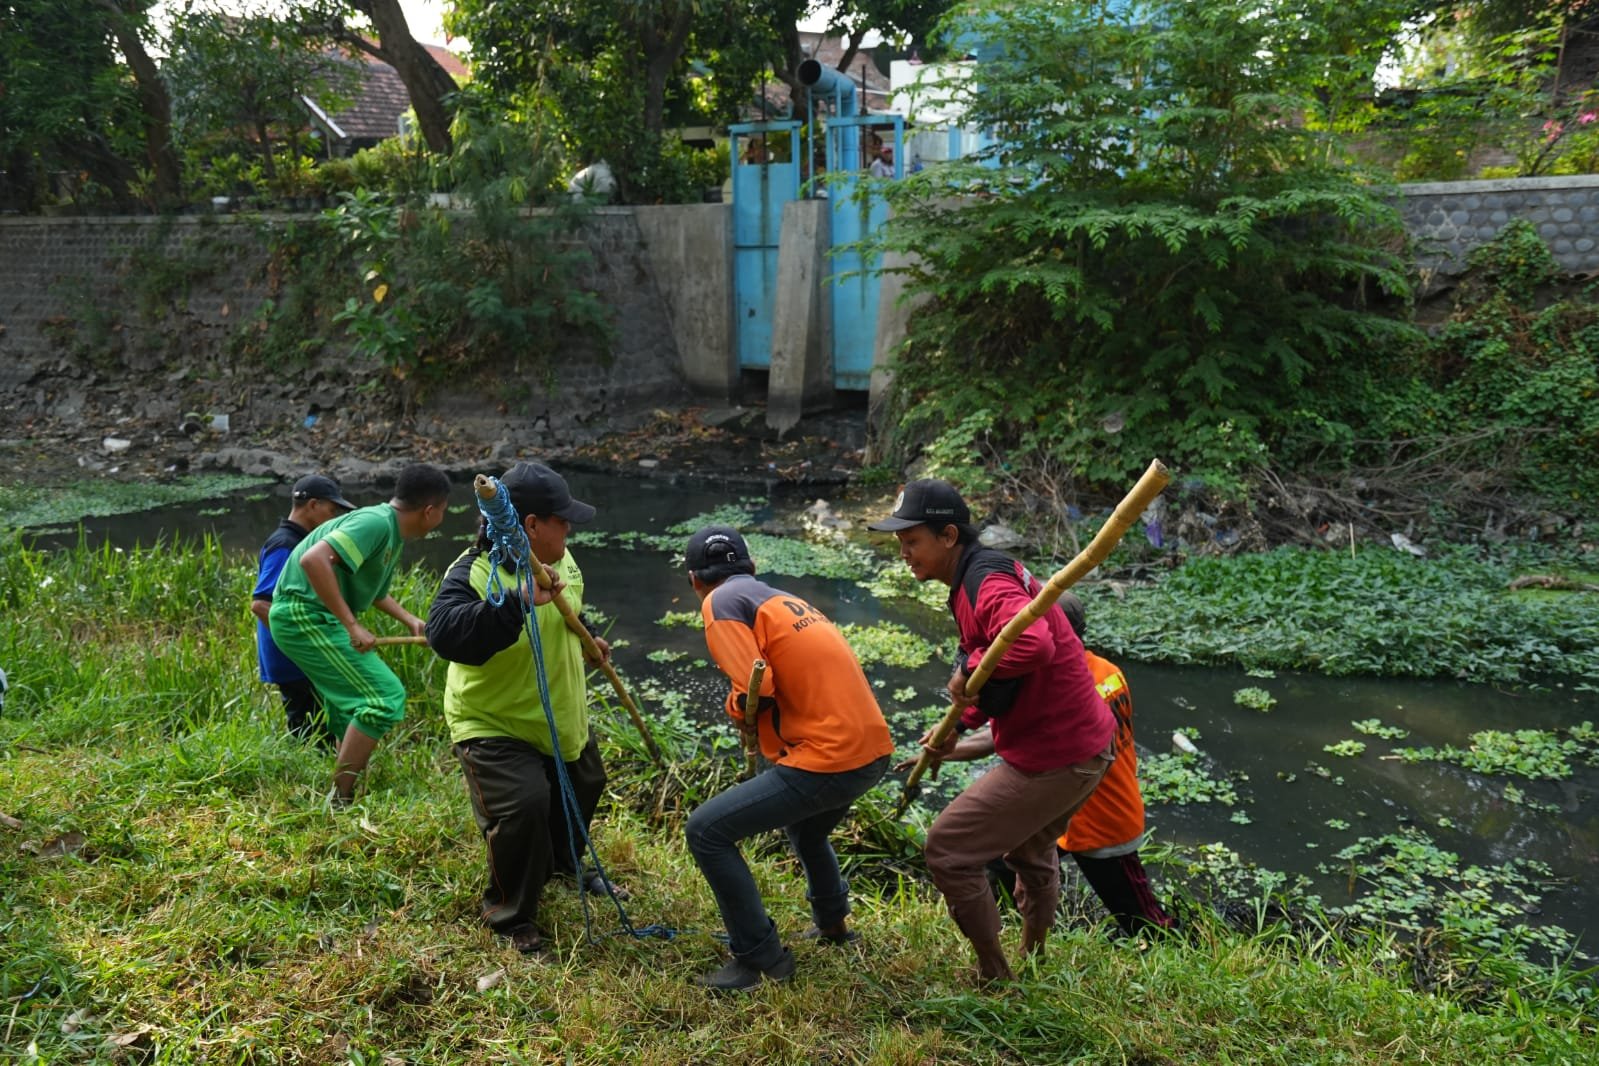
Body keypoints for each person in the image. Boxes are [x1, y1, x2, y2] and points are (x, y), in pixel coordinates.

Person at [869, 479, 1116, 984]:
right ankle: (1033, 956)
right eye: (899, 543)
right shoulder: (972, 581)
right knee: (1028, 852)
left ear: (948, 536)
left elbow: (1032, 647)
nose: (904, 553)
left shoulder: (986, 580)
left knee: (947, 850)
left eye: (911, 541)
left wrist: (968, 668)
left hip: (1058, 756)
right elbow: (1002, 680)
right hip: (1086, 746)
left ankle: (995, 975)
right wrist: (960, 725)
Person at [683, 525, 894, 991]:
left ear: (694, 579)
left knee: (707, 831)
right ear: (752, 569)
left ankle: (759, 960)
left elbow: (758, 687)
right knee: (808, 827)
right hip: (873, 750)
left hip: (830, 756)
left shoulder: (720, 604)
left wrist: (736, 708)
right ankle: (834, 924)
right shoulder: (781, 599)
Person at [425, 462, 622, 956]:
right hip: (492, 720)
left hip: (557, 714)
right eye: (562, 519)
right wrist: (516, 601)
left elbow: (569, 605)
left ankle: (562, 862)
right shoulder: (470, 571)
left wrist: (587, 637)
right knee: (524, 805)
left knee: (585, 782)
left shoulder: (564, 558)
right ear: (530, 525)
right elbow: (444, 634)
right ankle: (510, 913)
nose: (570, 528)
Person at [925, 595, 1175, 938]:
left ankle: (1164, 943)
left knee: (1141, 918)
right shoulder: (1107, 670)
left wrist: (951, 747)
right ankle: (1020, 920)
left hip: (1100, 817)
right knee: (1004, 857)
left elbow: (1007, 739)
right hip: (1068, 806)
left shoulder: (1071, 691)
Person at [267, 462, 451, 806]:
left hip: (316, 617)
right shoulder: (374, 522)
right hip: (303, 615)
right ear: (430, 511)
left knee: (348, 704)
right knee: (384, 698)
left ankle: (344, 781)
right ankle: (340, 799)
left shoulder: (390, 532)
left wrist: (409, 619)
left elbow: (375, 591)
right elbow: (313, 560)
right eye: (443, 511)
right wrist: (352, 625)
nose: (441, 518)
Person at [250, 474, 355, 748]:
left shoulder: (301, 541)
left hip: (300, 654)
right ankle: (309, 778)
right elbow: (261, 603)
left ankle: (320, 770)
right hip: (292, 656)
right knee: (308, 725)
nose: (333, 519)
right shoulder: (285, 544)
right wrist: (300, 641)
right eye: (331, 511)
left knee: (320, 719)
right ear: (312, 505)